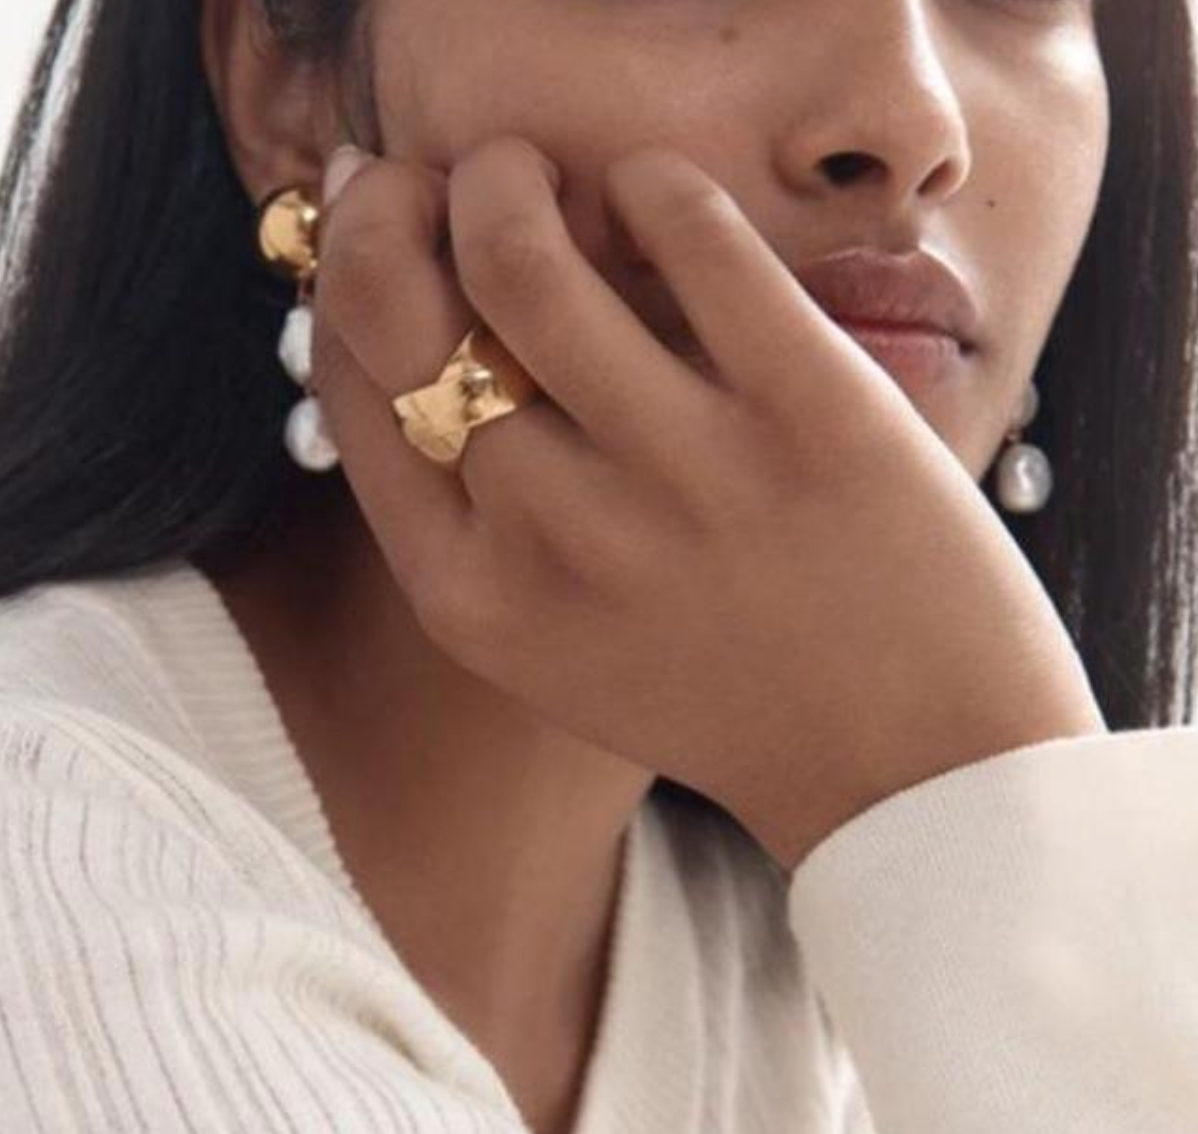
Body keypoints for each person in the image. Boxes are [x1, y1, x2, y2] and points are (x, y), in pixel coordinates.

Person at [0, 0, 1195, 1131]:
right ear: (289, 91)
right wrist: (972, 804)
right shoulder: (52, 885)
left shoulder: (804, 942)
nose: (910, 122)